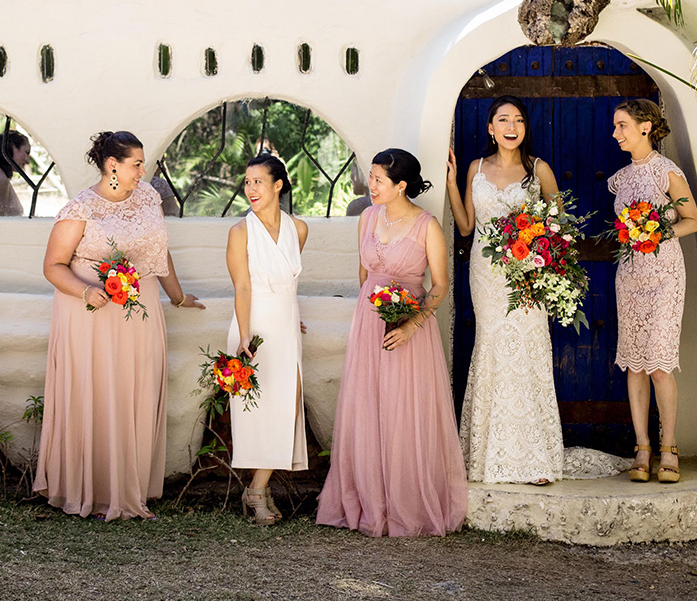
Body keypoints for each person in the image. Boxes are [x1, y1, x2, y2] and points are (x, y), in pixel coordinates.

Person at [35, 130, 205, 520]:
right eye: (137, 164)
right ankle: (93, 490)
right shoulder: (81, 208)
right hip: (91, 315)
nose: (143, 171)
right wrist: (85, 291)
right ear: (113, 165)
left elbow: (159, 252)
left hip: (140, 312)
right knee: (97, 391)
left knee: (134, 389)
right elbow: (53, 266)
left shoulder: (148, 197)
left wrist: (178, 296)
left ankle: (130, 487)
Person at [317, 149, 467, 536]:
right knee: (368, 405)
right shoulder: (367, 217)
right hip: (369, 324)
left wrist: (411, 324)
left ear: (401, 185)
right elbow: (364, 275)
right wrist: (370, 316)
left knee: (404, 409)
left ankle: (404, 501)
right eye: (370, 177)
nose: (371, 185)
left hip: (409, 329)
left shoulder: (427, 226)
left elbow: (440, 285)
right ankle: (369, 497)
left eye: (379, 179)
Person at [445, 95, 564, 485]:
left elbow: (558, 227)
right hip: (486, 274)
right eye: (503, 120)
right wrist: (451, 182)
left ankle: (533, 456)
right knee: (492, 347)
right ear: (490, 128)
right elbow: (466, 227)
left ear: (525, 128)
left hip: (525, 274)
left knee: (527, 349)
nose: (511, 127)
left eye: (518, 120)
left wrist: (533, 246)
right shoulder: (476, 168)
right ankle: (487, 453)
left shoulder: (539, 170)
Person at [609, 99, 697, 484]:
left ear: (645, 127)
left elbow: (692, 220)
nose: (616, 133)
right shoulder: (618, 179)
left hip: (665, 275)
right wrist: (633, 234)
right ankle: (642, 447)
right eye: (616, 126)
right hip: (629, 275)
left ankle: (669, 446)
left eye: (622, 125)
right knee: (635, 364)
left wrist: (657, 233)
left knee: (660, 366)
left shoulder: (668, 173)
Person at [225, 154, 309, 524]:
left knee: (288, 405)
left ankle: (256, 488)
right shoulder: (239, 232)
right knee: (256, 411)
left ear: (278, 185)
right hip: (253, 326)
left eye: (258, 181)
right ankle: (258, 492)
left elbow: (286, 279)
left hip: (286, 325)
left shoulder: (299, 229)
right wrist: (245, 335)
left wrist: (292, 314)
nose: (250, 188)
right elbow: (242, 287)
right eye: (247, 182)